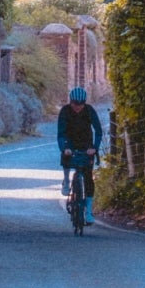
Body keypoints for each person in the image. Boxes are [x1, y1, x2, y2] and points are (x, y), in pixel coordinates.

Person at [57, 86, 103, 224]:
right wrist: (64, 148)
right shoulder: (65, 111)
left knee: (88, 177)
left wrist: (94, 148)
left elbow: (98, 131)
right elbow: (60, 133)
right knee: (66, 158)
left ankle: (88, 211)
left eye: (81, 104)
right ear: (70, 102)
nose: (78, 107)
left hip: (86, 144)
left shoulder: (89, 111)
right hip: (69, 142)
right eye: (75, 104)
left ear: (84, 103)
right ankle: (66, 180)